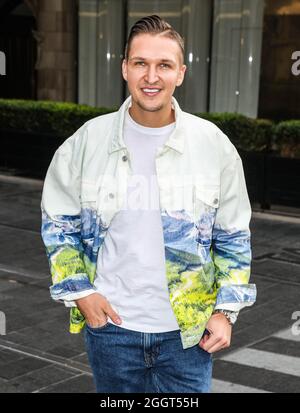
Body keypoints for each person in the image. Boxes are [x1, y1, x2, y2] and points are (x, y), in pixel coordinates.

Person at [41, 15, 257, 393]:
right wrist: (81, 293)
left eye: (164, 65)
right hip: (111, 330)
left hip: (188, 335)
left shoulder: (214, 146)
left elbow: (234, 236)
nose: (151, 76)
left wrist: (225, 312)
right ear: (125, 68)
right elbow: (58, 223)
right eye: (140, 63)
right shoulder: (88, 141)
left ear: (182, 73)